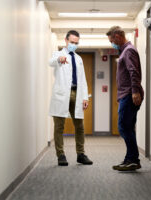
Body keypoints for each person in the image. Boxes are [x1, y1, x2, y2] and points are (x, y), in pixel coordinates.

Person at [49, 30, 93, 166]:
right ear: (66, 41)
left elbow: (83, 80)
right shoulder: (58, 54)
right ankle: (60, 155)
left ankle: (80, 154)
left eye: (76, 43)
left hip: (76, 93)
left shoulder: (78, 59)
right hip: (62, 94)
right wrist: (58, 60)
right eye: (72, 42)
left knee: (79, 126)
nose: (74, 45)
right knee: (59, 126)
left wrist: (85, 97)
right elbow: (50, 62)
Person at [107, 26, 144, 171]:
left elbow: (133, 72)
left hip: (129, 94)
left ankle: (133, 159)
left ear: (117, 36)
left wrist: (135, 91)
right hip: (126, 94)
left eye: (112, 41)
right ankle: (130, 159)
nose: (112, 44)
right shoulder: (125, 51)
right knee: (128, 127)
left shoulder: (128, 51)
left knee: (123, 127)